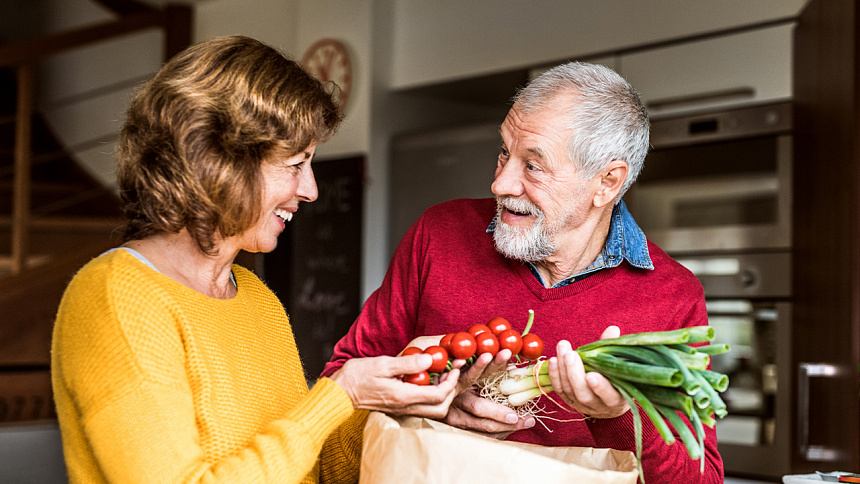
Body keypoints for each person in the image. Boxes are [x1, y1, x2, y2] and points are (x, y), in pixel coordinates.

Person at [50, 35, 460, 484]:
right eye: (295, 164)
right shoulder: (116, 297)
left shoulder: (257, 299)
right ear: (218, 159)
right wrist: (339, 395)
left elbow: (314, 469)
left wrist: (390, 402)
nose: (311, 190)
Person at [323, 61, 724, 482]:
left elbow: (701, 479)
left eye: (532, 165)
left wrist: (616, 417)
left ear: (606, 182)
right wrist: (430, 403)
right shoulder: (439, 235)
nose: (500, 183)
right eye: (503, 152)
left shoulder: (672, 297)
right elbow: (341, 384)